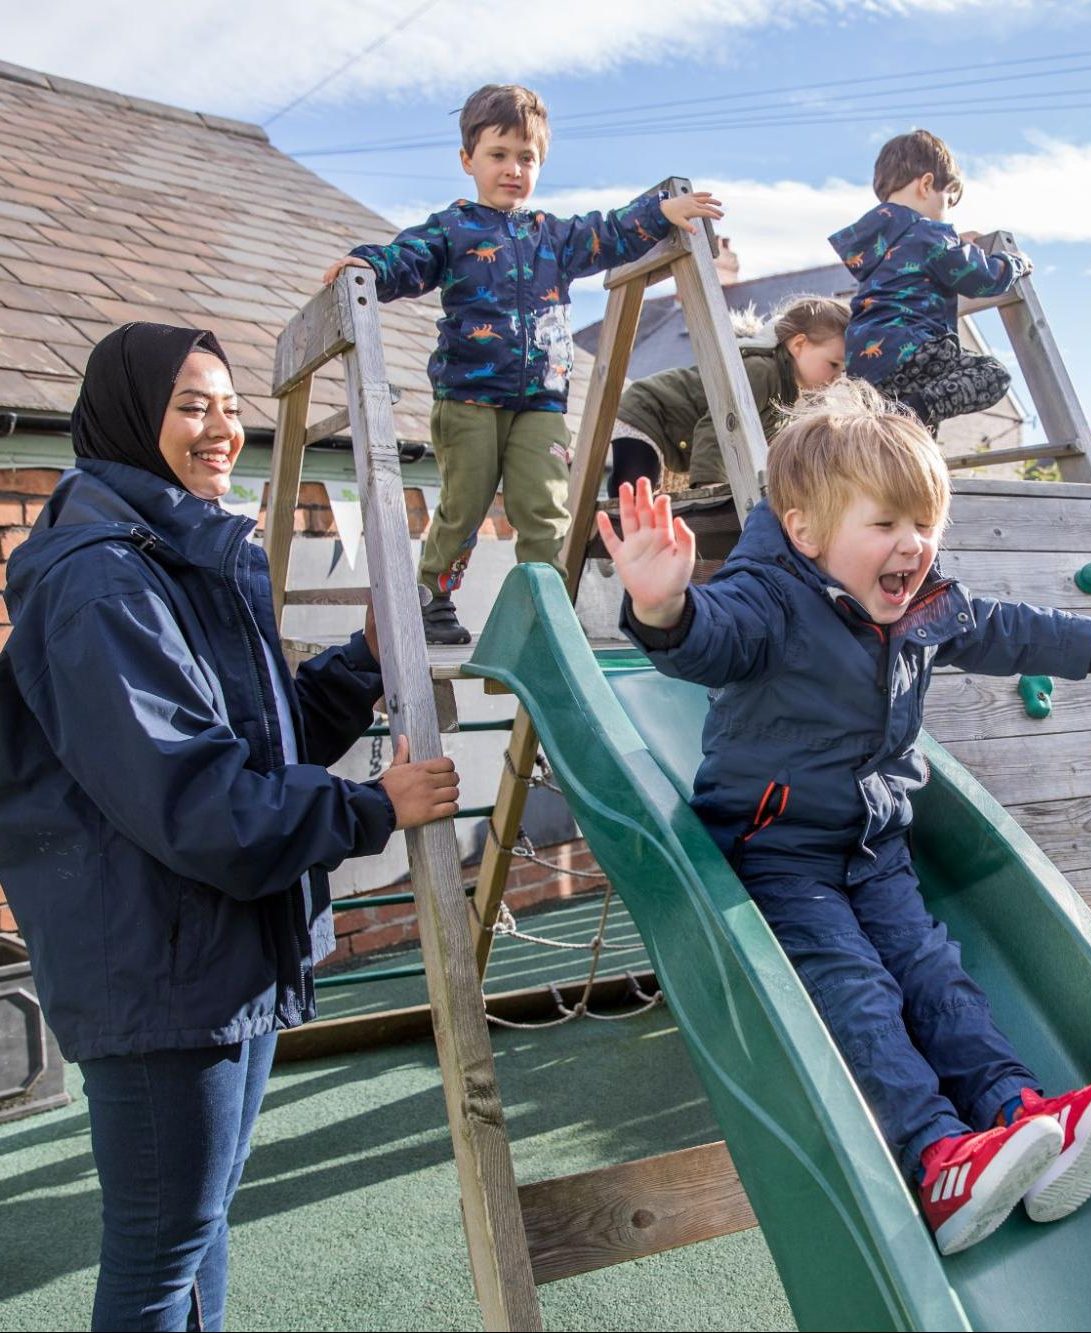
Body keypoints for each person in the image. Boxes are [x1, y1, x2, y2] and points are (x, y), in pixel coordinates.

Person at [597, 381, 1091, 1256]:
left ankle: (1018, 1113)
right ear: (807, 532)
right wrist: (663, 605)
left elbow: (1003, 630)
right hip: (776, 849)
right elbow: (710, 637)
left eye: (924, 523)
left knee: (934, 974)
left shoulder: (921, 601)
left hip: (875, 843)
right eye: (887, 525)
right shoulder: (769, 598)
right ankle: (939, 1156)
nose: (913, 545)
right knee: (860, 987)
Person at [0, 323, 460, 1330]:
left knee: (193, 1231)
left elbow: (259, 734)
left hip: (216, 947)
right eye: (191, 406)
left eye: (229, 405)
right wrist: (373, 806)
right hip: (161, 959)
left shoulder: (182, 552)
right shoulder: (101, 579)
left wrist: (363, 660)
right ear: (128, 416)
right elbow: (195, 798)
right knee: (159, 1254)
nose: (222, 429)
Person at [322, 82, 724, 645]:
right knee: (465, 505)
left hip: (541, 400)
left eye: (526, 158)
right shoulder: (453, 228)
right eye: (498, 155)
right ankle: (431, 597)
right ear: (468, 160)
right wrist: (367, 264)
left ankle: (545, 609)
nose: (513, 168)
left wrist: (661, 212)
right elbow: (408, 259)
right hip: (468, 398)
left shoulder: (553, 238)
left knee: (547, 509)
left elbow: (608, 233)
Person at [829, 128, 1030, 431]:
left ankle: (906, 425)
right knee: (991, 375)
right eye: (948, 199)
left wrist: (957, 243)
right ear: (926, 184)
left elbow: (913, 261)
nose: (946, 214)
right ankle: (909, 416)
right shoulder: (929, 233)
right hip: (914, 347)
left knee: (913, 426)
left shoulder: (876, 244)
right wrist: (1014, 263)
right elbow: (984, 279)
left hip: (866, 365)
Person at [607, 294, 849, 496]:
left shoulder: (789, 393)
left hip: (674, 430)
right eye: (833, 364)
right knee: (633, 493)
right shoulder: (761, 372)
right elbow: (719, 425)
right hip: (650, 410)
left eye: (843, 369)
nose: (838, 377)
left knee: (645, 499)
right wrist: (710, 486)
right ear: (799, 345)